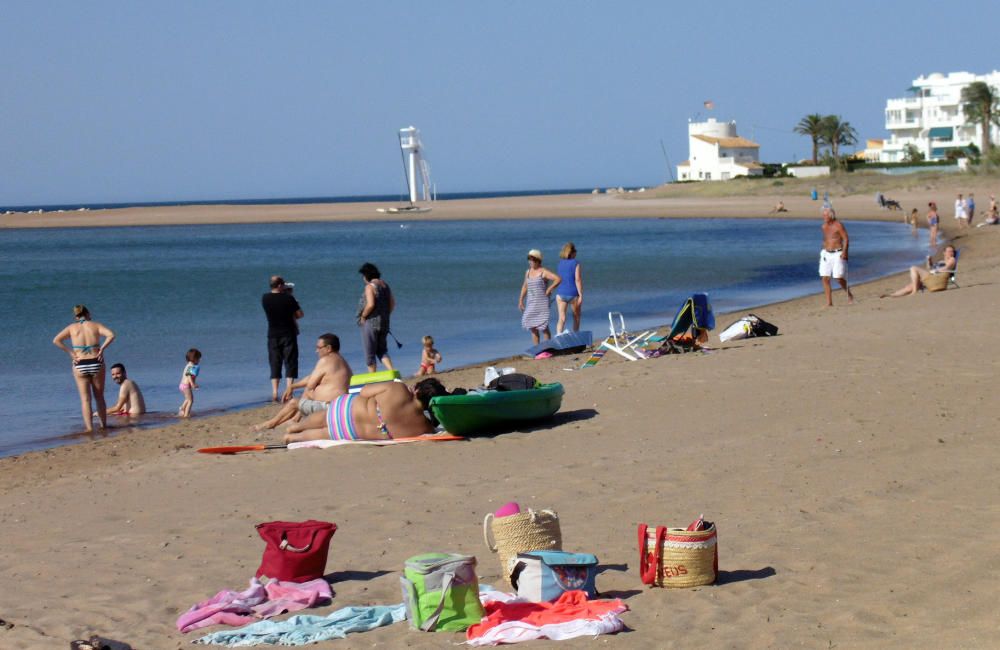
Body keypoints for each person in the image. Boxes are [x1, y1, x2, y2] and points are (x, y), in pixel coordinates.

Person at [283, 378, 447, 444]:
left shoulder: (399, 388)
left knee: (322, 418)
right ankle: (292, 437)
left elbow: (364, 391)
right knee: (320, 434)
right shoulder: (424, 428)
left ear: (417, 390)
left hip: (346, 410)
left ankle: (294, 427)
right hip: (350, 432)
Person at [254, 333, 352, 431]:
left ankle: (270, 424)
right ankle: (295, 419)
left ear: (328, 348)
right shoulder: (343, 362)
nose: (316, 351)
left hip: (329, 408)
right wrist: (292, 386)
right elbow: (311, 378)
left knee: (293, 402)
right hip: (340, 407)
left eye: (319, 347)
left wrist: (292, 387)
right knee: (307, 392)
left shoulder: (325, 361)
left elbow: (310, 384)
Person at [52, 305, 116, 433]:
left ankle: (89, 428)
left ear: (76, 316)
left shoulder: (71, 328)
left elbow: (56, 340)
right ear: (88, 313)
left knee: (85, 399)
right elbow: (111, 335)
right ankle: (103, 426)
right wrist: (102, 349)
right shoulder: (95, 325)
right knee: (99, 397)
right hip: (96, 361)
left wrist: (70, 353)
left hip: (80, 362)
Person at [262, 276, 303, 402]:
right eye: (283, 284)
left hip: (273, 334)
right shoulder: (288, 298)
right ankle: (289, 390)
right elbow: (299, 314)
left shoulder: (265, 298)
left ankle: (275, 392)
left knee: (275, 362)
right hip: (288, 333)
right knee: (290, 361)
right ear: (279, 285)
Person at [357, 262, 396, 373]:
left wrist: (363, 316)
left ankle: (372, 376)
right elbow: (392, 303)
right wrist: (385, 314)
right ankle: (392, 372)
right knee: (382, 350)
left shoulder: (370, 287)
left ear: (366, 275)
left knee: (369, 352)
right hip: (384, 322)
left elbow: (370, 304)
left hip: (371, 322)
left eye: (363, 276)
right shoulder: (385, 285)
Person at [880, 245, 957, 298]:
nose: (951, 253)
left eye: (952, 251)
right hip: (933, 277)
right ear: (944, 253)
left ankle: (914, 292)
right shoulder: (941, 261)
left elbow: (946, 268)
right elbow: (929, 268)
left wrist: (934, 271)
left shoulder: (952, 260)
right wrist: (929, 262)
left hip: (937, 278)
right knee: (910, 286)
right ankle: (892, 295)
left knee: (913, 268)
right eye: (949, 251)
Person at [519, 249, 561, 344]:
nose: (530, 262)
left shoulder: (543, 272)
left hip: (542, 303)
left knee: (543, 327)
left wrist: (550, 289)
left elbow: (558, 279)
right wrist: (521, 300)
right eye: (529, 259)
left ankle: (548, 348)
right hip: (531, 303)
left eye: (532, 259)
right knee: (532, 327)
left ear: (538, 260)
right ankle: (537, 350)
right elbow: (525, 286)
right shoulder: (528, 272)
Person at [818, 207, 854, 307]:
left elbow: (846, 239)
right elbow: (826, 238)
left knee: (838, 278)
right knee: (825, 278)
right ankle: (829, 303)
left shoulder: (838, 225)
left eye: (825, 215)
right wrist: (823, 249)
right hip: (826, 254)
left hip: (838, 253)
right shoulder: (824, 226)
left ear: (831, 215)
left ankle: (849, 295)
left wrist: (845, 252)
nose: (823, 217)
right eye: (823, 215)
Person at [554, 242, 583, 334]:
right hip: (573, 294)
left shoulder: (560, 263)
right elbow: (577, 279)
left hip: (560, 294)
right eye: (575, 251)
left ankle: (559, 336)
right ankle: (576, 335)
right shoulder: (576, 263)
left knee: (561, 318)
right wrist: (581, 295)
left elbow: (560, 278)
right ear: (572, 252)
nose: (576, 253)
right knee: (576, 317)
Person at [178, 348, 201, 418]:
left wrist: (194, 383)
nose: (199, 361)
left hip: (182, 385)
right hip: (186, 386)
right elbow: (188, 375)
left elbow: (191, 376)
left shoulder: (188, 365)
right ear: (194, 358)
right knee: (191, 400)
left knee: (187, 399)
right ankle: (186, 414)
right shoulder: (191, 366)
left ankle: (182, 408)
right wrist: (192, 384)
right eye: (198, 359)